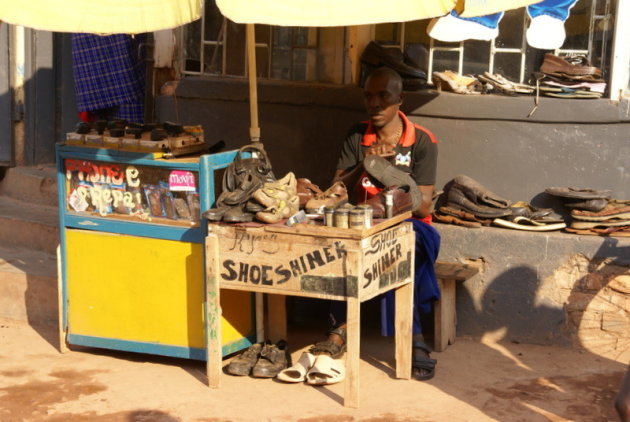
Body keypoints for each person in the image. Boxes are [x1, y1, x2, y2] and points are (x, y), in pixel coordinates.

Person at [311, 66, 440, 381]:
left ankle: (412, 334)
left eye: (384, 95)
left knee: (402, 246)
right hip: (361, 222)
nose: (375, 103)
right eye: (369, 96)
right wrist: (365, 161)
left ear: (400, 98)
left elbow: (422, 204)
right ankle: (341, 326)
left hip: (411, 224)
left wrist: (387, 173)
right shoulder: (357, 135)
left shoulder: (422, 140)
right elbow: (335, 192)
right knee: (338, 243)